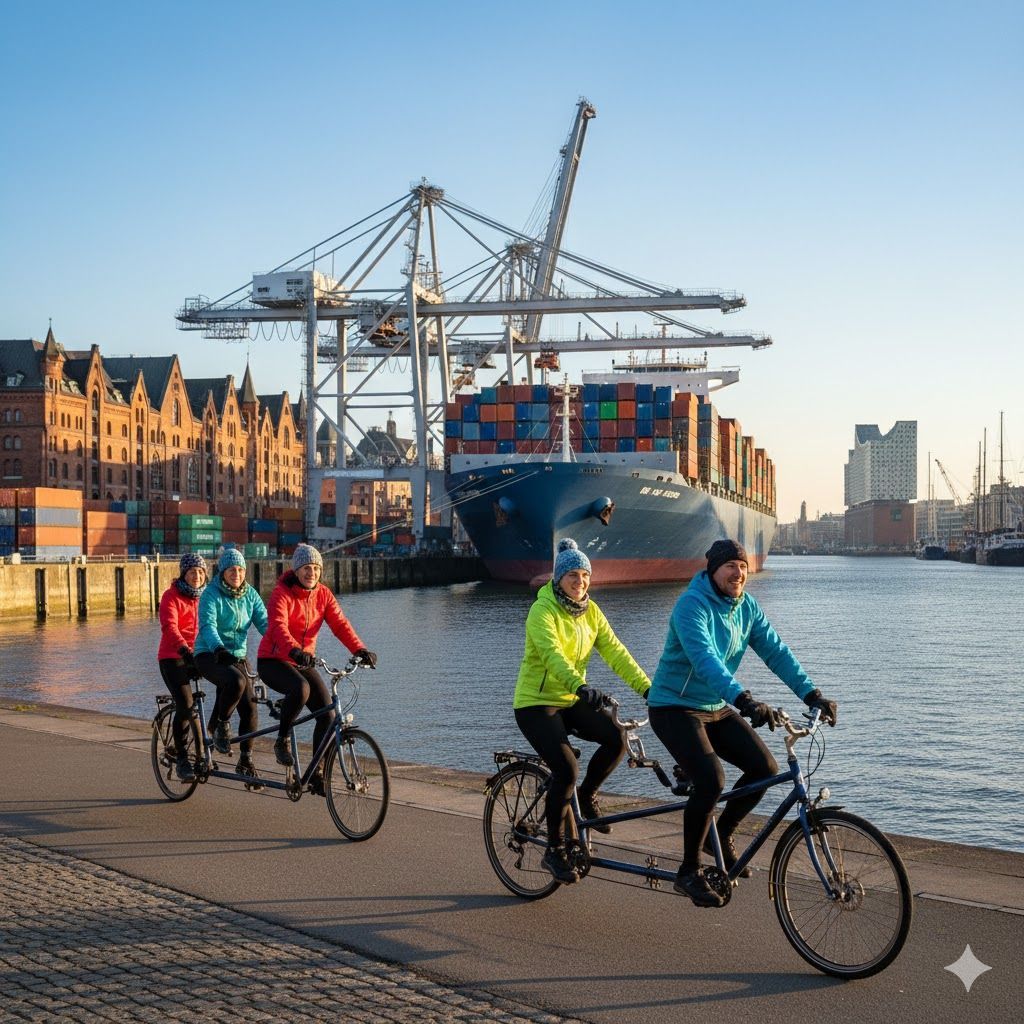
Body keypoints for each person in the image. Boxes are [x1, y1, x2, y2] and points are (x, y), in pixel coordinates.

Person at [647, 539, 838, 908]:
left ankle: (719, 833)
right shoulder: (691, 605)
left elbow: (776, 651)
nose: (738, 573)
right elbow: (705, 660)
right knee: (711, 780)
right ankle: (688, 871)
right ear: (713, 570)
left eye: (743, 567)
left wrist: (812, 695)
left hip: (716, 705)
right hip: (674, 707)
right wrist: (744, 699)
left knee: (763, 768)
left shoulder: (746, 607)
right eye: (730, 566)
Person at [513, 538, 651, 884]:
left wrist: (649, 689)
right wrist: (579, 686)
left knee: (617, 737)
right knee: (566, 770)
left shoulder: (591, 612)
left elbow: (616, 653)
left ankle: (588, 797)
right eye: (572, 574)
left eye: (585, 575)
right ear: (558, 578)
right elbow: (551, 655)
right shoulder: (541, 611)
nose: (580, 581)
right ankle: (554, 850)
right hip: (536, 703)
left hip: (571, 699)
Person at [256, 543, 377, 792]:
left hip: (303, 660)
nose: (311, 572)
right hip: (273, 659)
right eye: (306, 568)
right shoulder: (282, 593)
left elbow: (340, 624)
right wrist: (293, 650)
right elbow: (277, 627)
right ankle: (282, 740)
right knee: (300, 689)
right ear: (297, 570)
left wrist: (359, 650)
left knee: (328, 715)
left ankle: (317, 771)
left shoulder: (323, 594)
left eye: (315, 568)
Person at [194, 547, 269, 787]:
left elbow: (266, 624)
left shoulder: (251, 595)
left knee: (250, 708)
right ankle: (221, 727)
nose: (236, 573)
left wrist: (286, 646)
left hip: (237, 655)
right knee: (235, 682)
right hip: (209, 653)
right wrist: (218, 649)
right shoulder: (211, 594)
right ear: (222, 572)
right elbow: (208, 626)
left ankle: (245, 761)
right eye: (231, 570)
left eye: (240, 569)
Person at [156, 553, 207, 782]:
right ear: (183, 574)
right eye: (192, 572)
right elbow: (169, 626)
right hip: (172, 657)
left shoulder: (205, 598)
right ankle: (183, 759)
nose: (196, 576)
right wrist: (185, 650)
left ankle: (213, 741)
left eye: (200, 572)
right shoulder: (171, 596)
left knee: (230, 683)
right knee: (185, 704)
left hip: (197, 656)